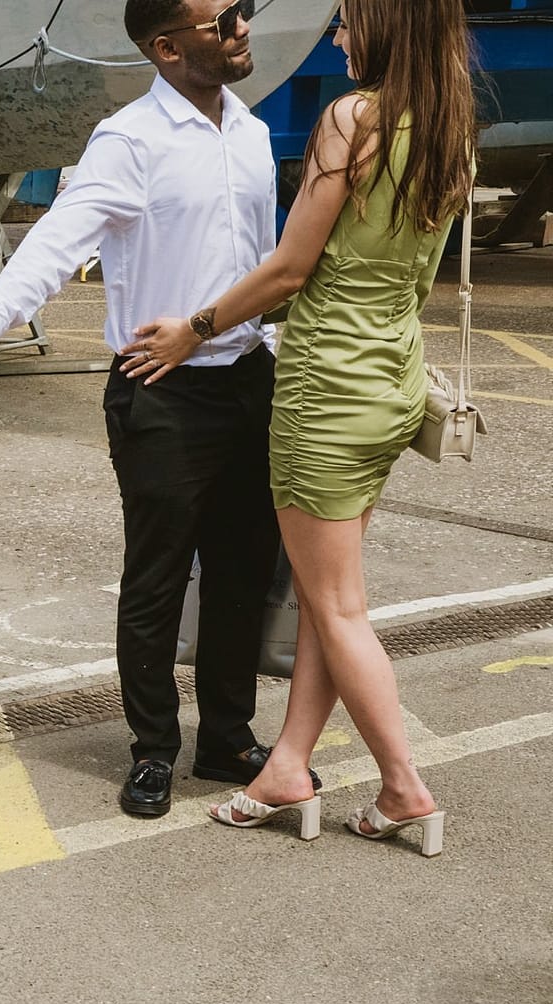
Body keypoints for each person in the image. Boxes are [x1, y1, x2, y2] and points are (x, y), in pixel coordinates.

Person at [123, 0, 474, 856]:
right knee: (326, 598)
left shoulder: (352, 118)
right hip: (392, 379)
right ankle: (286, 766)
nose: (340, 37)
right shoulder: (451, 128)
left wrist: (193, 328)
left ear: (388, 28)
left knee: (339, 607)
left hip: (327, 389)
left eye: (351, 23)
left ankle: (404, 788)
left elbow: (288, 267)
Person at [0, 0, 295, 820]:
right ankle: (154, 751)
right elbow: (62, 236)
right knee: (158, 580)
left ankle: (227, 737)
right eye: (226, 19)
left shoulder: (248, 132)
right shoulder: (130, 139)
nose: (244, 27)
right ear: (167, 48)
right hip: (161, 391)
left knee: (243, 574)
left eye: (243, 12)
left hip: (246, 378)